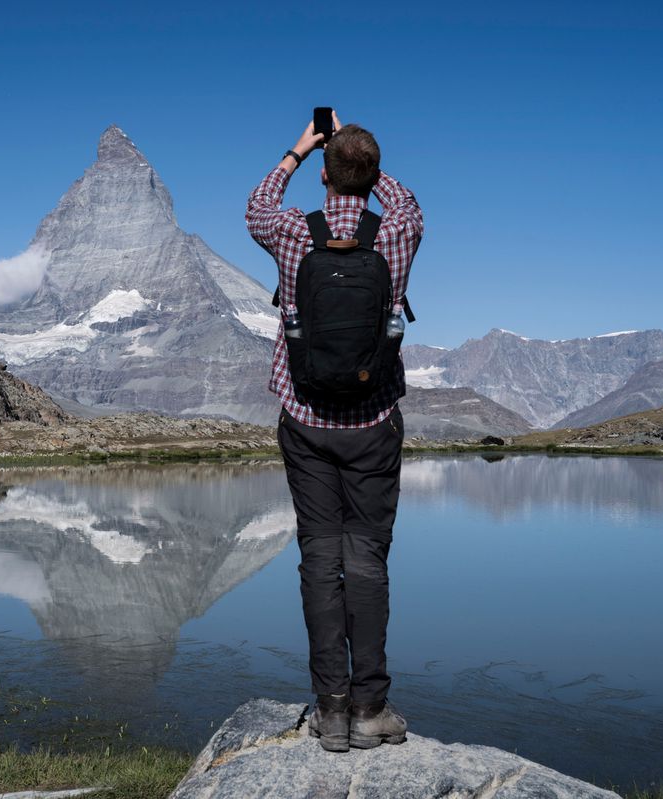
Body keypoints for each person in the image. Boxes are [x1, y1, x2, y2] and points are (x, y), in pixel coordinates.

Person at [245, 112, 423, 752]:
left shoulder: (293, 231)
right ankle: (372, 707)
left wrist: (300, 150)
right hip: (374, 422)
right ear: (372, 176)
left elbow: (256, 205)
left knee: (321, 558)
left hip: (306, 421)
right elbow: (402, 200)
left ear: (323, 174)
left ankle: (331, 711)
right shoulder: (397, 230)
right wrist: (364, 161)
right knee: (367, 560)